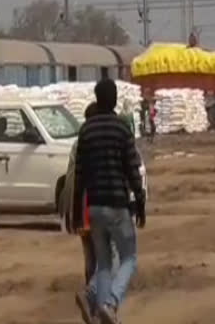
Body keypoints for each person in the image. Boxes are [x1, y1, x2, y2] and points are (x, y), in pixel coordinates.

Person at [72, 79, 146, 324]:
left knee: (103, 263)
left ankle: (103, 314)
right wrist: (141, 201)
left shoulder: (86, 130)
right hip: (117, 204)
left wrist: (75, 211)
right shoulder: (121, 128)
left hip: (93, 206)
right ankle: (111, 302)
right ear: (113, 99)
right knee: (129, 258)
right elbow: (132, 167)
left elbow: (79, 174)